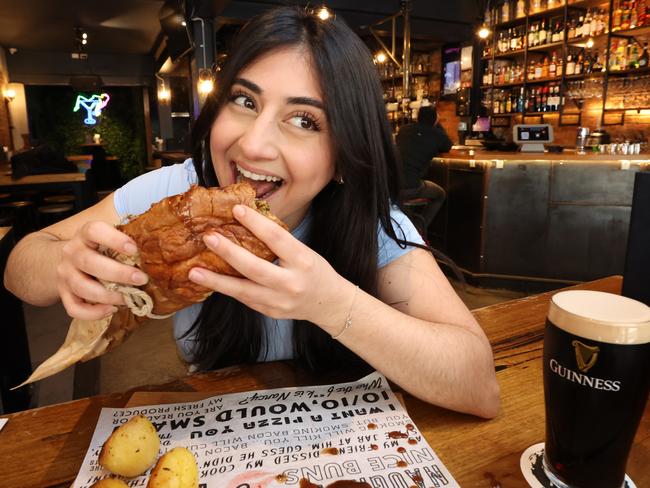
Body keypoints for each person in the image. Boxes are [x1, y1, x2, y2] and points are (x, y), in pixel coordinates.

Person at [4, 7, 499, 418]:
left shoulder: (371, 224)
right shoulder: (175, 194)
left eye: (305, 120)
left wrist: (330, 304)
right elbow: (20, 266)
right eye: (244, 100)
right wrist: (66, 262)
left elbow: (478, 384)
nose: (254, 143)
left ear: (346, 157)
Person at [396, 105, 452, 232]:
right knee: (440, 194)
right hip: (411, 186)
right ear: (435, 119)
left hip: (391, 185)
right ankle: (419, 229)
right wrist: (437, 125)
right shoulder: (437, 134)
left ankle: (408, 227)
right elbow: (448, 146)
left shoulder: (404, 130)